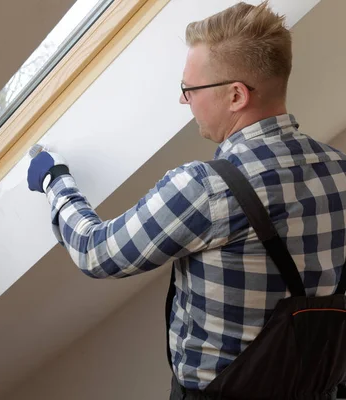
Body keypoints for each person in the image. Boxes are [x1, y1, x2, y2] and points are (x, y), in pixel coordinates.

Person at [27, 2, 346, 399]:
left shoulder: (206, 189)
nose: (185, 101)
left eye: (190, 89)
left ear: (235, 96)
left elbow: (97, 252)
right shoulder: (340, 168)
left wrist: (55, 181)